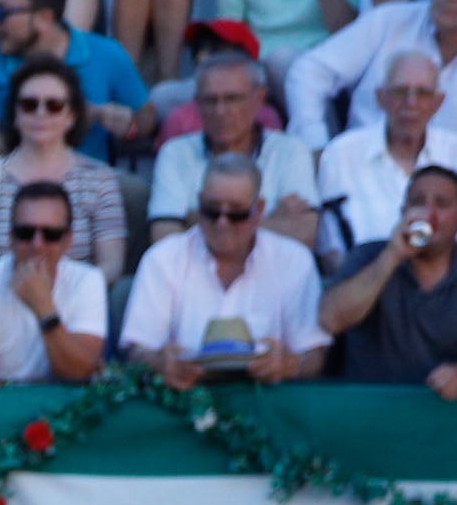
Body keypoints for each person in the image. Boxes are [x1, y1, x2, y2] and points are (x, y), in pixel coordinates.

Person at [286, 0, 457, 197]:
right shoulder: (389, 20)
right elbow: (308, 72)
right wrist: (316, 145)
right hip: (358, 174)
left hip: (441, 196)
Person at [120, 153, 332, 380]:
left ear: (259, 210)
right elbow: (138, 350)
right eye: (212, 211)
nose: (222, 223)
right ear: (199, 203)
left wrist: (291, 364)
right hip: (185, 398)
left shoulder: (293, 260)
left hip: (267, 399)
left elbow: (313, 356)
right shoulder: (162, 259)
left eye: (236, 214)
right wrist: (159, 363)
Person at [320, 160, 457, 390]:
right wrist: (392, 256)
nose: (428, 214)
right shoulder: (369, 254)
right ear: (403, 213)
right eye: (417, 202)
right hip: (370, 405)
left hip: (447, 408)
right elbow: (330, 319)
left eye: (441, 204)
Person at [0, 57, 130, 295]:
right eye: (29, 104)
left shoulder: (100, 179)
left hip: (72, 308)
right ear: (15, 114)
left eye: (54, 105)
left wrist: (58, 298)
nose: (41, 113)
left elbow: (111, 264)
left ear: (72, 115)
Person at [315, 49, 457, 258]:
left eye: (423, 94)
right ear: (381, 98)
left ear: (438, 103)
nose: (411, 103)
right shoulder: (342, 154)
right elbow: (330, 252)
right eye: (400, 92)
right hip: (368, 282)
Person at [0, 0, 151, 162]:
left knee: (136, 191)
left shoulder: (106, 53)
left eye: (1, 13)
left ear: (44, 17)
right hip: (9, 183)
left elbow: (147, 119)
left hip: (90, 186)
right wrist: (50, 124)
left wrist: (129, 126)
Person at [0, 172, 107, 378]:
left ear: (68, 241)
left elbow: (82, 374)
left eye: (51, 235)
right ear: (10, 237)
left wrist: (44, 308)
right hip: (0, 406)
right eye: (25, 233)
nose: (37, 245)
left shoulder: (87, 281)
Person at [149, 51, 319, 246]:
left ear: (259, 99)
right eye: (210, 100)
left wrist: (198, 220)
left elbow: (305, 234)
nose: (220, 111)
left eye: (232, 99)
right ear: (197, 103)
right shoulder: (176, 152)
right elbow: (164, 239)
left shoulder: (290, 150)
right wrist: (268, 220)